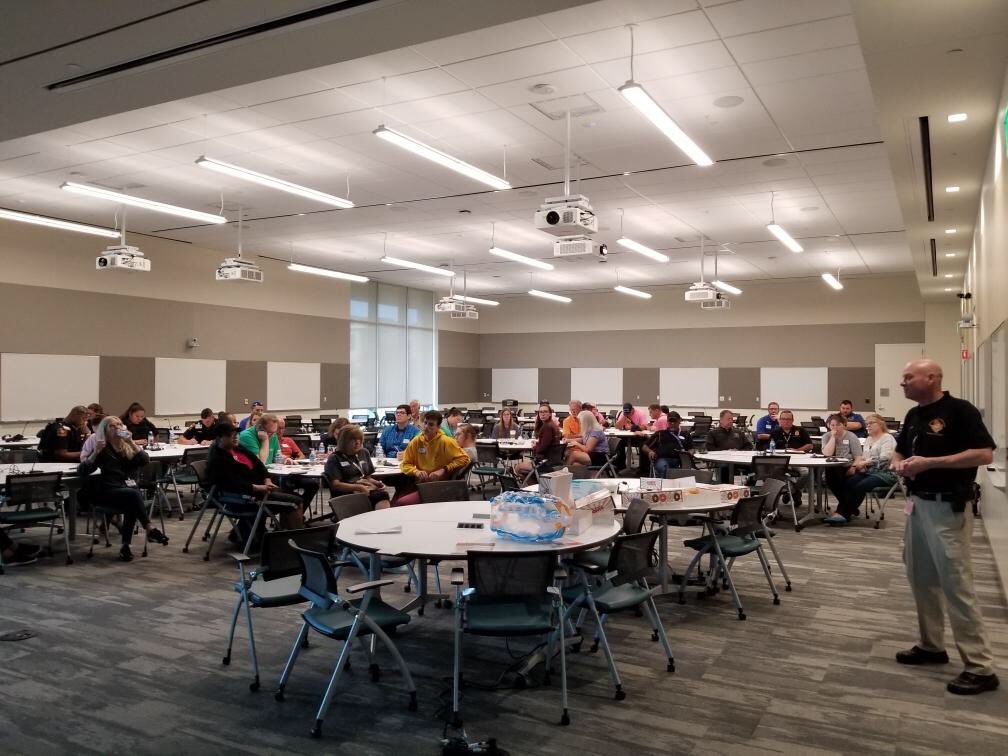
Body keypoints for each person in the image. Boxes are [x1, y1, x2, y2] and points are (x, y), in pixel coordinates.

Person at [889, 359, 998, 695]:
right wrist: (899, 465)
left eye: (908, 377)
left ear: (931, 377)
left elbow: (984, 455)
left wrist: (931, 463)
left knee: (956, 584)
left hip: (949, 507)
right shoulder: (913, 415)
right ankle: (931, 645)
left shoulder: (960, 411)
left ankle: (980, 667)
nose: (902, 383)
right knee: (921, 577)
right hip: (917, 506)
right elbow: (899, 450)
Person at [78, 416, 169, 561]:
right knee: (132, 495)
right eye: (112, 426)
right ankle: (149, 528)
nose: (117, 428)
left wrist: (131, 442)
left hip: (126, 490)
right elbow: (83, 471)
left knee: (131, 500)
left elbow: (144, 460)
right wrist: (95, 452)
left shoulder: (126, 446)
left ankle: (125, 547)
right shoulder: (103, 448)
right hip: (107, 490)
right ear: (106, 430)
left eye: (119, 425)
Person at [206, 423, 304, 541]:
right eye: (231, 435)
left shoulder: (239, 448)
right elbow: (231, 484)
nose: (236, 437)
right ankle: (297, 542)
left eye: (236, 434)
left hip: (258, 492)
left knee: (294, 496)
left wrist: (267, 480)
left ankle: (284, 537)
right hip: (243, 499)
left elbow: (259, 465)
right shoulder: (218, 459)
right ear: (220, 438)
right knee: (295, 502)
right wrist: (258, 488)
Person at [826, 412, 897, 525]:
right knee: (849, 482)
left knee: (860, 485)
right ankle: (846, 512)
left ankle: (842, 513)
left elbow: (885, 458)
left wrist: (864, 463)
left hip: (885, 473)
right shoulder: (869, 438)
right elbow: (864, 457)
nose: (868, 426)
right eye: (867, 423)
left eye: (871, 423)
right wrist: (860, 465)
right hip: (869, 471)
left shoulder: (887, 438)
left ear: (880, 424)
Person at [239, 413, 319, 511]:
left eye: (274, 432)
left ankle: (294, 516)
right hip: (258, 478)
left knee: (312, 484)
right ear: (260, 428)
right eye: (269, 433)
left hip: (274, 475)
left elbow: (277, 455)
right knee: (290, 494)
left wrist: (285, 459)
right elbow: (260, 463)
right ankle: (289, 516)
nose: (272, 435)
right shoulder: (247, 436)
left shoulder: (272, 434)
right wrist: (265, 441)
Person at [396, 411, 471, 506]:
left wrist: (443, 470)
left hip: (439, 486)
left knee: (401, 503)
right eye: (425, 423)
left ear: (438, 427)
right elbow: (405, 464)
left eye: (431, 424)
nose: (427, 426)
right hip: (419, 483)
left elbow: (465, 459)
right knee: (395, 500)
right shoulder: (416, 441)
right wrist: (416, 472)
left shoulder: (446, 441)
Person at [325, 425, 391, 509]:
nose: (358, 442)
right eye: (353, 439)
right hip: (346, 492)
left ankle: (379, 520)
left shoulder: (364, 453)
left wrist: (377, 483)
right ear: (344, 441)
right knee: (381, 496)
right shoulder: (335, 458)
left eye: (359, 439)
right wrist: (358, 487)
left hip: (363, 487)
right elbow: (336, 484)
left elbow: (367, 477)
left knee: (382, 494)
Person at [768, 410, 813, 502]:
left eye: (789, 419)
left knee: (806, 472)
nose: (786, 421)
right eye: (784, 419)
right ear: (780, 420)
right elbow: (769, 448)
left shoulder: (800, 430)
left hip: (798, 460)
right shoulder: (775, 432)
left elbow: (810, 445)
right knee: (774, 473)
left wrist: (797, 450)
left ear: (793, 420)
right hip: (781, 461)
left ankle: (791, 491)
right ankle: (795, 493)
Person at [821, 414, 862, 501]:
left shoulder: (851, 436)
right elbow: (828, 454)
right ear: (828, 425)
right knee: (830, 474)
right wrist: (833, 437)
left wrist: (853, 467)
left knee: (837, 476)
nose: (835, 427)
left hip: (848, 466)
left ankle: (845, 506)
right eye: (832, 425)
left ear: (844, 425)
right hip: (832, 467)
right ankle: (847, 505)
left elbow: (858, 456)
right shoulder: (826, 436)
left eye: (838, 425)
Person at [639, 411, 692, 477]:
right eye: (670, 421)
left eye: (674, 421)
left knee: (688, 471)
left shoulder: (685, 434)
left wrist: (690, 453)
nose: (672, 423)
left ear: (679, 421)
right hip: (663, 458)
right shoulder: (660, 433)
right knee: (664, 468)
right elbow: (644, 446)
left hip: (681, 459)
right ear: (667, 422)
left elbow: (691, 448)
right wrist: (650, 451)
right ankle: (668, 484)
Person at [515, 403, 561, 477]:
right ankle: (536, 483)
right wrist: (538, 443)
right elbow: (547, 443)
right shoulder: (552, 425)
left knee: (517, 468)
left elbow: (543, 448)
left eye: (545, 412)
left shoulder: (547, 427)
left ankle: (532, 487)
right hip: (551, 461)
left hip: (544, 463)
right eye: (541, 412)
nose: (543, 414)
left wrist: (535, 446)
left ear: (550, 414)